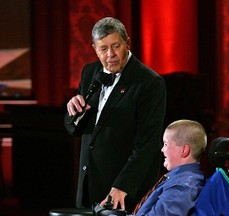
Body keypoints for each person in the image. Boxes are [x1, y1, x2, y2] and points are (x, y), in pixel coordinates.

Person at [64, 17, 166, 213]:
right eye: (103, 49)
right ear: (94, 48)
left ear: (127, 43)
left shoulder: (149, 83)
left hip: (124, 191)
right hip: (89, 184)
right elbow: (74, 129)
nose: (110, 54)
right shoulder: (89, 72)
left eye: (116, 46)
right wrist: (73, 111)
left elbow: (148, 144)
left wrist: (123, 186)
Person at [133, 119, 207, 216]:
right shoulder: (178, 179)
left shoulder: (182, 186)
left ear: (184, 150)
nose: (162, 149)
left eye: (166, 144)